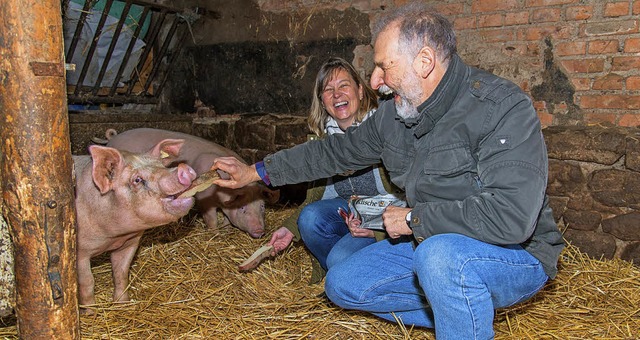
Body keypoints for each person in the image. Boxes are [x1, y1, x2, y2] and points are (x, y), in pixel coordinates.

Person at [212, 3, 565, 339]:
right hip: (432, 242)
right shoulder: (394, 115)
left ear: (424, 62)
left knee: (439, 258)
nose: (375, 80)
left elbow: (511, 218)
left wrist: (413, 220)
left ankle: (459, 306)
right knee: (342, 284)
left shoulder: (501, 107)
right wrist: (255, 172)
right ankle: (460, 309)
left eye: (384, 66)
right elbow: (334, 152)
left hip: (514, 252)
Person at [271, 57, 403, 284]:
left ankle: (355, 276)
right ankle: (344, 277)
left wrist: (377, 229)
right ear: (322, 102)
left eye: (344, 86)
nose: (337, 94)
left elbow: (413, 198)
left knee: (339, 260)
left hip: (389, 215)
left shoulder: (387, 128)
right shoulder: (324, 141)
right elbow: (317, 198)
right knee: (310, 217)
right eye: (328, 90)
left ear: (360, 91)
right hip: (348, 214)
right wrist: (291, 229)